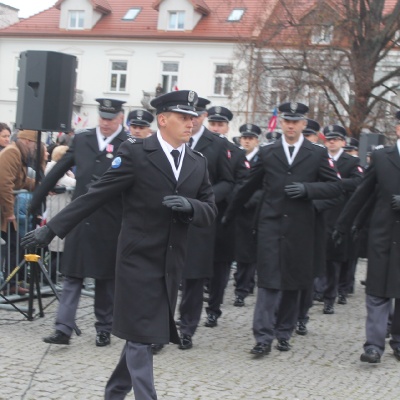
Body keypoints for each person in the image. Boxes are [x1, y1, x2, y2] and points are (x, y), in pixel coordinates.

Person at [22, 89, 217, 400]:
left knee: (143, 336)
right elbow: (96, 194)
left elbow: (211, 210)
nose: (191, 123)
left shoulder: (197, 162)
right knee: (142, 338)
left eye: (193, 118)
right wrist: (52, 230)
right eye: (184, 117)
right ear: (163, 120)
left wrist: (192, 207)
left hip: (170, 263)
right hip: (136, 260)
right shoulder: (136, 153)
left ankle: (114, 392)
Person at [223, 101, 342, 356]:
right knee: (267, 282)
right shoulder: (268, 152)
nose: (290, 125)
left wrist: (310, 191)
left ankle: (284, 332)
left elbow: (336, 188)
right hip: (270, 225)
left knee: (293, 282)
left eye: (295, 121)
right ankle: (263, 337)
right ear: (281, 122)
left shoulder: (317, 153)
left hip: (301, 228)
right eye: (286, 121)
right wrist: (228, 215)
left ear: (303, 124)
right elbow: (247, 187)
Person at [29, 98, 127, 347]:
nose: (105, 123)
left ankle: (104, 328)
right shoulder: (83, 139)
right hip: (80, 218)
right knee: (72, 274)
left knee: (105, 278)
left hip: (110, 219)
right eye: (102, 118)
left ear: (120, 118)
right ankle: (63, 328)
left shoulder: (128, 144)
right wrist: (36, 199)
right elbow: (58, 169)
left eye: (110, 119)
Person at [332, 111, 400, 364]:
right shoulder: (382, 157)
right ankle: (374, 345)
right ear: (398, 129)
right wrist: (342, 224)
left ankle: (399, 341)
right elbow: (363, 193)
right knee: (376, 292)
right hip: (382, 236)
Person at [177, 97, 234, 351]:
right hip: (169, 215)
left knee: (193, 278)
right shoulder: (170, 138)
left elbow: (228, 181)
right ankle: (160, 327)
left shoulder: (217, 145)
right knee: (164, 275)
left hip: (200, 219)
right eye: (189, 114)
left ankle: (187, 328)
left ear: (203, 116)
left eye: (198, 114)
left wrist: (205, 198)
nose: (193, 119)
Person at [205, 105, 249, 328]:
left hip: (223, 217)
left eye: (220, 124)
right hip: (199, 216)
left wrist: (224, 198)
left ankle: (213, 308)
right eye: (212, 123)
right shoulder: (198, 147)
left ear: (227, 126)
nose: (216, 128)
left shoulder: (237, 153)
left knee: (219, 268)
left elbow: (243, 184)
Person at [321, 125, 363, 314]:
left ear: (343, 143)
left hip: (340, 214)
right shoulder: (319, 158)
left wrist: (335, 184)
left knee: (335, 260)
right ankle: (317, 291)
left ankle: (332, 295)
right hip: (320, 212)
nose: (332, 142)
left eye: (336, 139)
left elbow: (358, 182)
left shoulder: (352, 162)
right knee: (319, 257)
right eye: (329, 139)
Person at [0, 129, 40, 295]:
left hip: (4, 209)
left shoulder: (18, 154)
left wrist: (43, 186)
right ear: (28, 142)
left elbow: (21, 182)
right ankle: (9, 284)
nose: (35, 149)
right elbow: (4, 183)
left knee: (14, 245)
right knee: (12, 246)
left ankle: (11, 284)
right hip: (4, 210)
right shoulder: (12, 153)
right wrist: (10, 212)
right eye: (34, 145)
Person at [233, 123, 262, 307]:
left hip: (254, 212)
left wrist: (248, 202)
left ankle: (242, 289)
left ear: (256, 140)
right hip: (237, 211)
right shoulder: (236, 157)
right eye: (244, 138)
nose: (247, 141)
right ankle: (243, 283)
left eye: (250, 138)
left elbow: (263, 186)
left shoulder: (262, 159)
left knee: (248, 253)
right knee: (239, 252)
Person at [44, 145, 76, 283]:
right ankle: (49, 279)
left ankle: (51, 278)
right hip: (58, 209)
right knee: (57, 249)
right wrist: (73, 178)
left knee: (59, 249)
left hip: (60, 207)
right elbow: (72, 183)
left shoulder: (60, 169)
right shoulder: (54, 168)